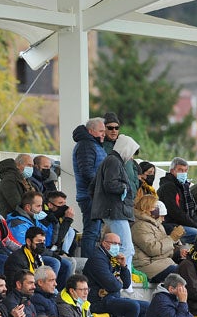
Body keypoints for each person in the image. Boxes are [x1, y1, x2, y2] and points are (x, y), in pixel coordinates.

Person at [83, 231, 149, 317]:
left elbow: (125, 284)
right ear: (104, 243)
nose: (117, 246)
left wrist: (123, 266)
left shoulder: (113, 258)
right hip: (97, 301)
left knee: (147, 306)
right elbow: (113, 285)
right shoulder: (97, 259)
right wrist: (117, 283)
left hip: (111, 298)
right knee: (133, 306)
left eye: (119, 243)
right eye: (114, 243)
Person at [91, 133, 138, 270]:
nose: (131, 157)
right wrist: (125, 187)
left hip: (113, 210)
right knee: (126, 247)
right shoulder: (113, 161)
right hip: (115, 211)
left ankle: (124, 281)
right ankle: (124, 283)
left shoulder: (110, 160)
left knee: (126, 247)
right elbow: (110, 184)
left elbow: (93, 187)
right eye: (131, 153)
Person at [71, 117, 106, 258]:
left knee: (95, 231)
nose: (104, 133)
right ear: (91, 131)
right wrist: (104, 186)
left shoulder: (93, 144)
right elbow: (87, 172)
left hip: (96, 196)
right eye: (101, 131)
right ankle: (88, 264)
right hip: (90, 196)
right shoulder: (86, 145)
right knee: (91, 232)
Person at [131, 194, 182, 284]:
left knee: (190, 268)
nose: (157, 210)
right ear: (146, 208)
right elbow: (153, 249)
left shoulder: (156, 224)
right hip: (148, 267)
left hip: (161, 263)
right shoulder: (140, 226)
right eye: (154, 207)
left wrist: (177, 244)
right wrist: (171, 239)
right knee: (184, 274)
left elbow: (164, 249)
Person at [157, 158, 197, 241]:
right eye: (180, 170)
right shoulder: (168, 187)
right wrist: (194, 225)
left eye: (185, 170)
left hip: (180, 223)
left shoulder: (183, 187)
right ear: (172, 171)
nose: (183, 173)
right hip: (170, 224)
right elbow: (175, 212)